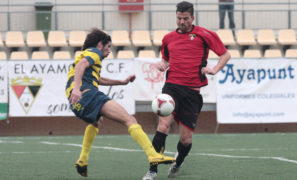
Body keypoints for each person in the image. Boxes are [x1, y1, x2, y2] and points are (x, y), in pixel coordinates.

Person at [65, 28, 175, 177]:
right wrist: (77, 89)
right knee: (129, 120)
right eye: (108, 46)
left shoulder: (85, 57)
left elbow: (97, 79)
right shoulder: (94, 52)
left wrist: (121, 82)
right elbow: (81, 65)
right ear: (100, 45)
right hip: (87, 95)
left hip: (76, 104)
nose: (109, 51)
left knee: (96, 122)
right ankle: (153, 155)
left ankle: (83, 160)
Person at [143, 1, 231, 180]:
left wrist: (214, 69)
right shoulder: (168, 38)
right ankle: (152, 170)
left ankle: (178, 162)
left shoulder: (205, 35)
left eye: (185, 19)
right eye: (179, 18)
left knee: (185, 140)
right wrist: (162, 64)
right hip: (171, 89)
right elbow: (166, 60)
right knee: (163, 126)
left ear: (192, 18)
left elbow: (225, 54)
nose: (181, 22)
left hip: (192, 92)